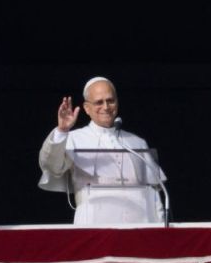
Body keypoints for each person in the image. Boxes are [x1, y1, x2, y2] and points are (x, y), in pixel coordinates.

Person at [39, 77, 166, 225]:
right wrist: (62, 130)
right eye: (99, 102)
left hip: (140, 225)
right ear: (87, 108)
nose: (106, 107)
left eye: (110, 101)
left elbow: (154, 193)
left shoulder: (137, 142)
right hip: (94, 226)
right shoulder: (73, 139)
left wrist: (161, 227)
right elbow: (52, 166)